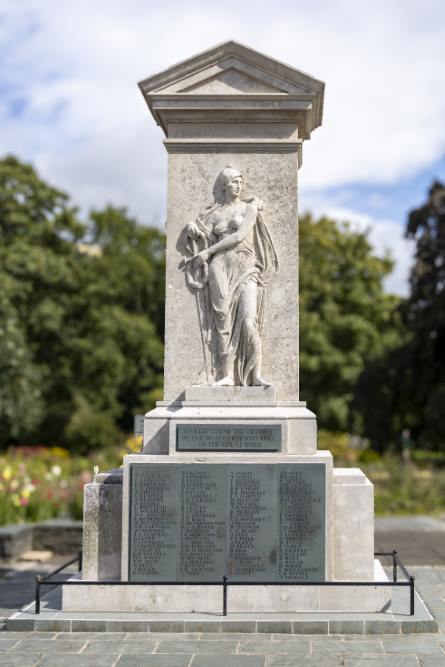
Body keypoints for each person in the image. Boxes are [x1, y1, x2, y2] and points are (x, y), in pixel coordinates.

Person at [185, 166, 278, 386]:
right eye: (234, 182)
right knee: (221, 318)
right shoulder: (215, 214)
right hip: (220, 266)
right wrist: (192, 230)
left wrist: (207, 252)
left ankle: (255, 375)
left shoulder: (250, 209)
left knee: (249, 321)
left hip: (245, 264)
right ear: (225, 185)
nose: (239, 186)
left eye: (241, 182)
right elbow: (204, 236)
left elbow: (238, 236)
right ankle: (226, 375)